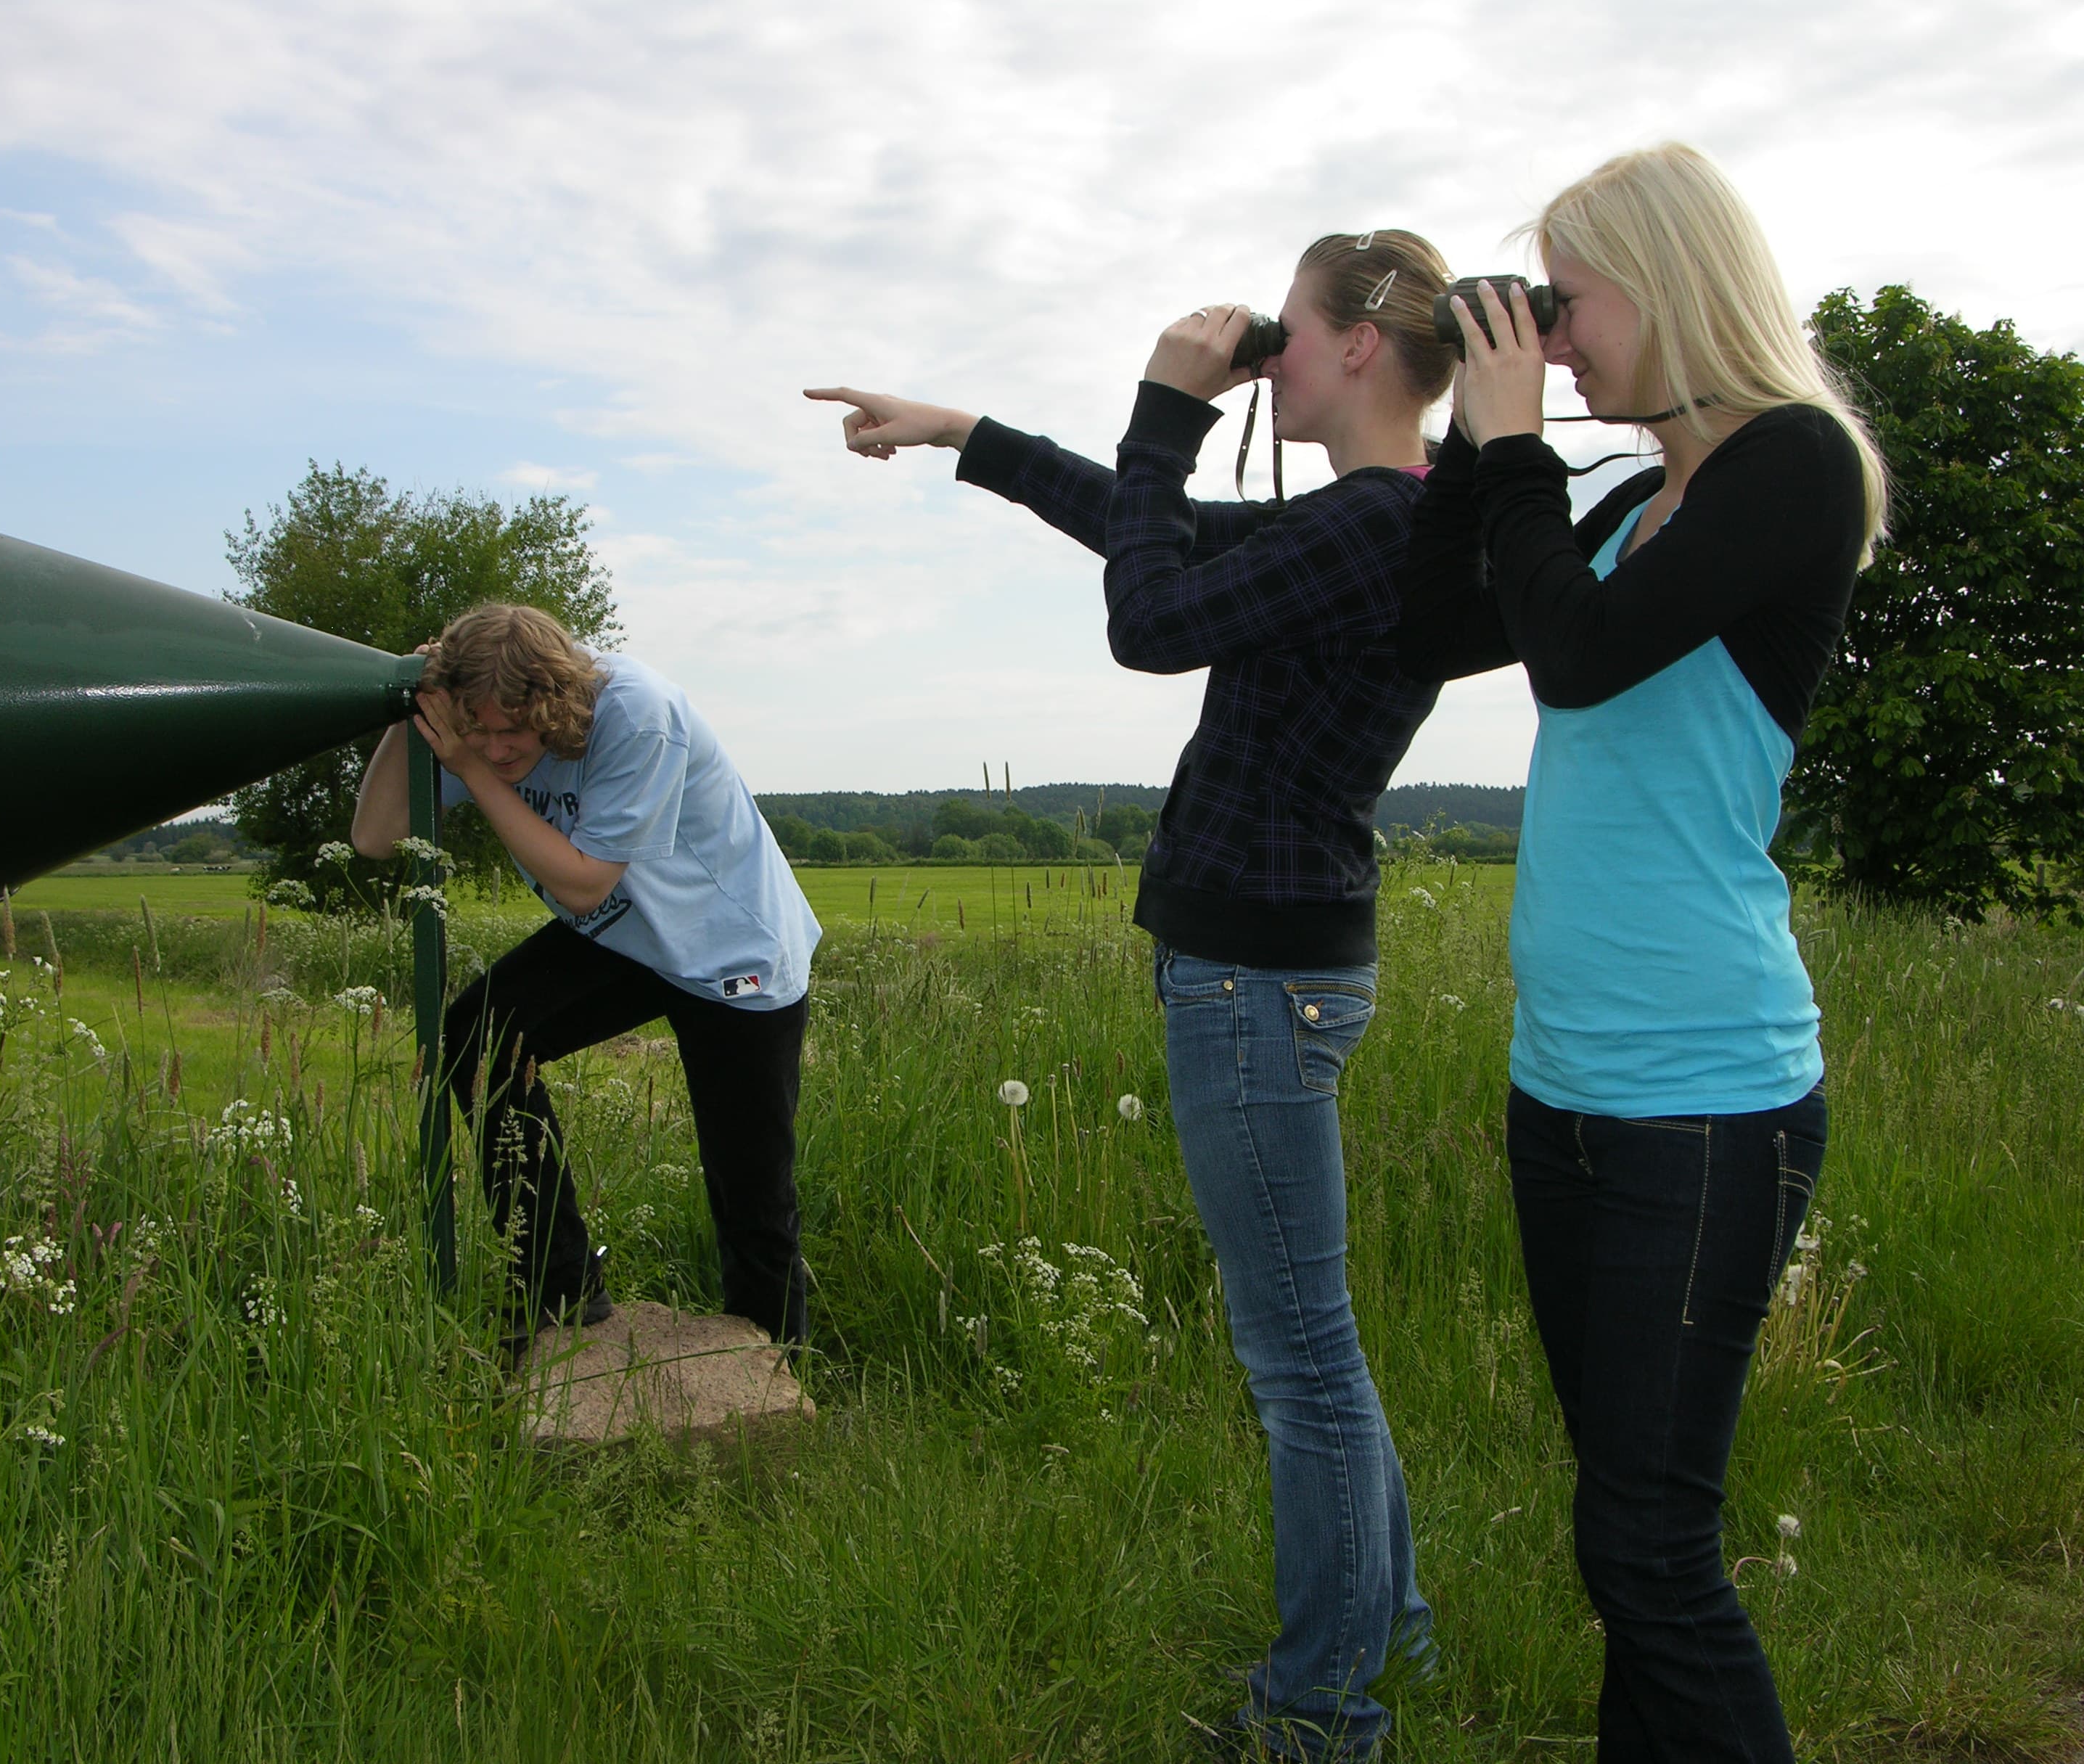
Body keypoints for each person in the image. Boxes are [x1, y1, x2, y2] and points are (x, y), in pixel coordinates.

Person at [807, 229, 1456, 1760]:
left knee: (1298, 1362)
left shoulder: (1376, 523)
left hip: (1259, 973)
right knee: (1318, 1344)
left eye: (1284, 331)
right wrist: (967, 433)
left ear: (1357, 345)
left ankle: (1322, 1715)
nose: (1265, 353)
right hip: (1276, 962)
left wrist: (1170, 400)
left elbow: (1148, 620)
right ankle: (1394, 1635)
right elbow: (1139, 528)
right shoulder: (1389, 520)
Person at [1394, 144, 1887, 1760]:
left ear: (1667, 286)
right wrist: (1479, 445)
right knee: (1625, 1537)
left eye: (1569, 299)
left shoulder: (1792, 464)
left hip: (1706, 1095)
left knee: (1649, 1547)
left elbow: (1586, 662)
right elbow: (1444, 618)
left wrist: (1517, 443)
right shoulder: (1619, 501)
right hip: (1571, 1083)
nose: (1556, 334)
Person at [351, 604, 821, 1350]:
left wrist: (469, 765)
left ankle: (774, 1364)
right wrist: (411, 714)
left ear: (555, 703)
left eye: (515, 732)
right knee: (478, 1041)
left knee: (749, 1186)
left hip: (731, 951)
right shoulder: (479, 727)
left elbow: (582, 885)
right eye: (480, 731)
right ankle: (558, 1285)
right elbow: (375, 837)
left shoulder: (638, 714)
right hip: (627, 937)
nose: (501, 750)